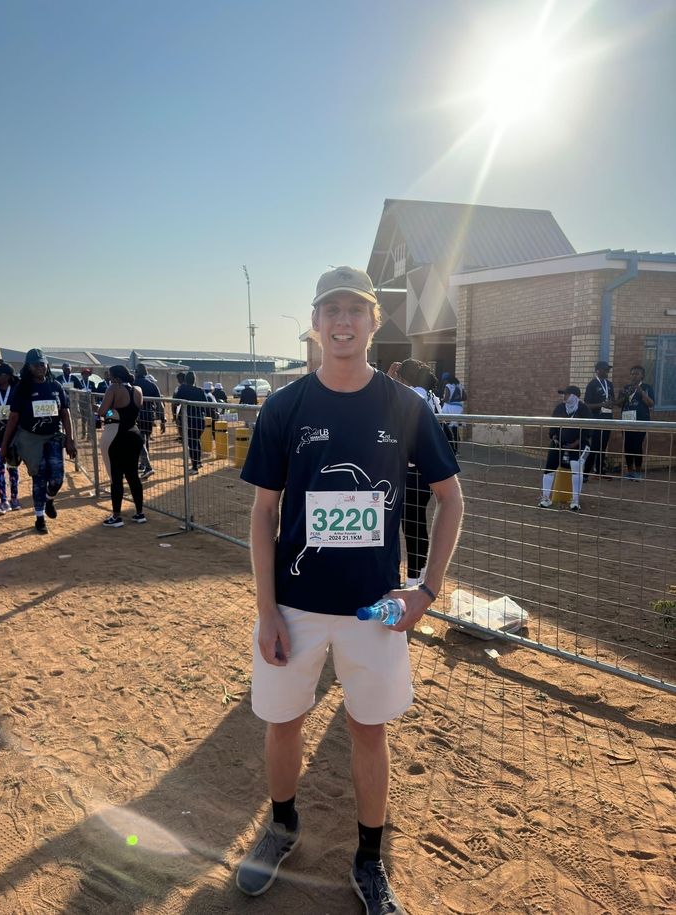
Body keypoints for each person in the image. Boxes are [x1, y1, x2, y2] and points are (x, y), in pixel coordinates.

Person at [236, 266, 463, 913]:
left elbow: (451, 498)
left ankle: (369, 859)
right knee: (284, 724)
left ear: (374, 321)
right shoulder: (285, 407)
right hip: (294, 608)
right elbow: (261, 513)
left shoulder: (405, 406)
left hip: (373, 610)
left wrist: (426, 589)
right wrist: (266, 611)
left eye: (354, 310)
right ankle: (280, 827)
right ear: (316, 321)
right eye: (330, 309)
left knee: (369, 731)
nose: (342, 322)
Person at [0, 348, 77, 534]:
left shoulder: (56, 387)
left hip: (53, 437)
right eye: (36, 365)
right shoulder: (22, 389)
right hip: (30, 440)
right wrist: (4, 445)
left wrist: (70, 440)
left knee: (57, 477)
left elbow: (65, 415)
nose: (40, 368)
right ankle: (40, 518)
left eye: (42, 364)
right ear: (29, 367)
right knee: (39, 477)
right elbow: (13, 418)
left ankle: (50, 500)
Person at [394, 358, 442, 587]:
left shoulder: (413, 396)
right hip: (426, 472)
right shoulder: (432, 396)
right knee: (416, 523)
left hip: (413, 470)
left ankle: (414, 578)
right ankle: (418, 574)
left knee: (411, 525)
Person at [96, 365, 146, 526]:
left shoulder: (114, 388)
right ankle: (140, 513)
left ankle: (116, 516)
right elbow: (134, 410)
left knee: (116, 477)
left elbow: (103, 412)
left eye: (110, 376)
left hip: (116, 436)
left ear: (117, 377)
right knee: (133, 476)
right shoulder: (138, 389)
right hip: (134, 434)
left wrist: (107, 410)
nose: (109, 379)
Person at [538, 385, 592, 512]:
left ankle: (575, 500)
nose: (564, 396)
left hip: (579, 444)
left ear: (574, 396)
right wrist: (554, 437)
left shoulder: (584, 409)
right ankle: (545, 497)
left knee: (575, 465)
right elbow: (553, 426)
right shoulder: (560, 408)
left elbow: (589, 430)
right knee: (549, 468)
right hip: (560, 443)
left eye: (566, 394)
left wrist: (576, 443)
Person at [0, 364, 20, 513]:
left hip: (13, 439)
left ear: (7, 376)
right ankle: (4, 501)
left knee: (12, 469)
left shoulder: (16, 392)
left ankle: (14, 498)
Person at [618, 365, 654, 479]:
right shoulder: (626, 387)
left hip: (641, 421)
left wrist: (641, 392)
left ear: (642, 375)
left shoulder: (647, 387)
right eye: (632, 373)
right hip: (627, 420)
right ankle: (629, 471)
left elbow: (651, 404)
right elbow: (619, 404)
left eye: (637, 374)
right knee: (628, 445)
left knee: (637, 445)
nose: (634, 376)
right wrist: (623, 394)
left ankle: (638, 472)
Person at [584, 360, 615, 480]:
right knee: (594, 446)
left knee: (603, 446)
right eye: (605, 369)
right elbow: (587, 404)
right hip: (596, 419)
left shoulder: (609, 384)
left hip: (608, 418)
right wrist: (602, 405)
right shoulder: (592, 385)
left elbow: (612, 400)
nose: (608, 371)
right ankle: (586, 473)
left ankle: (600, 471)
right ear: (598, 370)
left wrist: (613, 403)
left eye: (608, 369)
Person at [134, 364, 166, 480]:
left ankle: (146, 466)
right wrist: (162, 420)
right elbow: (160, 404)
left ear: (136, 373)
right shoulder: (152, 386)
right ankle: (143, 464)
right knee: (145, 439)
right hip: (149, 416)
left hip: (136, 416)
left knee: (140, 441)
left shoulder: (133, 385)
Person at [173, 371, 209, 474]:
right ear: (194, 380)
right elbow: (205, 405)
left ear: (185, 380)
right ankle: (198, 462)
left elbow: (175, 401)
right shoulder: (200, 391)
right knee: (196, 441)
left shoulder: (182, 389)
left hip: (188, 420)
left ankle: (194, 467)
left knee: (192, 443)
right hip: (200, 420)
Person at [440, 374, 467, 455]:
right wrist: (457, 399)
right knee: (455, 430)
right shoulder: (459, 385)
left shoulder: (448, 385)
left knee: (445, 428)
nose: (444, 382)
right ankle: (457, 450)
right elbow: (465, 397)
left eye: (444, 380)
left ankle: (450, 449)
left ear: (447, 380)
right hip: (458, 409)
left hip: (449, 408)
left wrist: (442, 400)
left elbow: (447, 398)